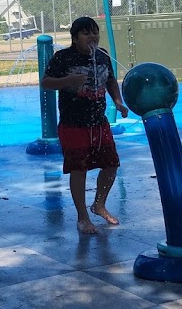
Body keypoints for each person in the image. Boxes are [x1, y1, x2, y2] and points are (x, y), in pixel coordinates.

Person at [41, 16, 128, 234]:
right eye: (86, 33)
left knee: (111, 164)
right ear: (75, 37)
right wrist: (68, 81)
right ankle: (82, 217)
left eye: (95, 32)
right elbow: (46, 82)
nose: (93, 37)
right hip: (73, 123)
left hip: (98, 122)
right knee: (78, 170)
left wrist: (118, 101)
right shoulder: (63, 58)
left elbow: (109, 80)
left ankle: (99, 204)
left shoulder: (102, 56)